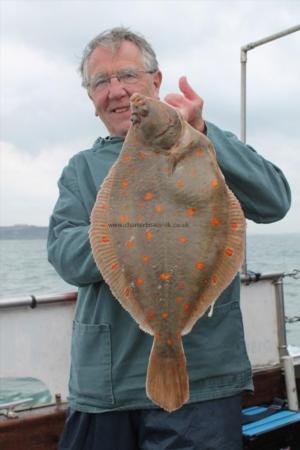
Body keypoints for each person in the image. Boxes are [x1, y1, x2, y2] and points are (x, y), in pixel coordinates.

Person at [47, 27, 291, 450]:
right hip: (106, 385)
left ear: (156, 82)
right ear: (91, 98)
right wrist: (124, 231)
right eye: (101, 82)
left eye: (128, 75)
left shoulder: (203, 144)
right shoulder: (81, 169)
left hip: (203, 381)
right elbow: (65, 255)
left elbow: (273, 201)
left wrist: (202, 131)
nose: (118, 91)